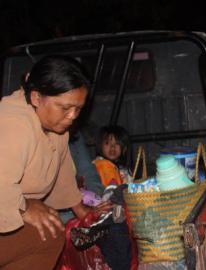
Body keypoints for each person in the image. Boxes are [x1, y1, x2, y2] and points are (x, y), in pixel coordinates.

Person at [0, 55, 93, 269]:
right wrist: (25, 207)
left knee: (50, 232)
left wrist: (79, 209)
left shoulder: (54, 125)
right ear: (36, 98)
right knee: (46, 236)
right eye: (65, 108)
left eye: (78, 109)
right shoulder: (13, 124)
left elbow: (60, 169)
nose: (72, 116)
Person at [93, 125, 134, 270]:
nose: (112, 148)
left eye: (117, 144)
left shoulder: (121, 169)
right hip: (109, 216)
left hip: (120, 215)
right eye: (107, 143)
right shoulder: (101, 165)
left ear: (124, 148)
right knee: (119, 249)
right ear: (100, 145)